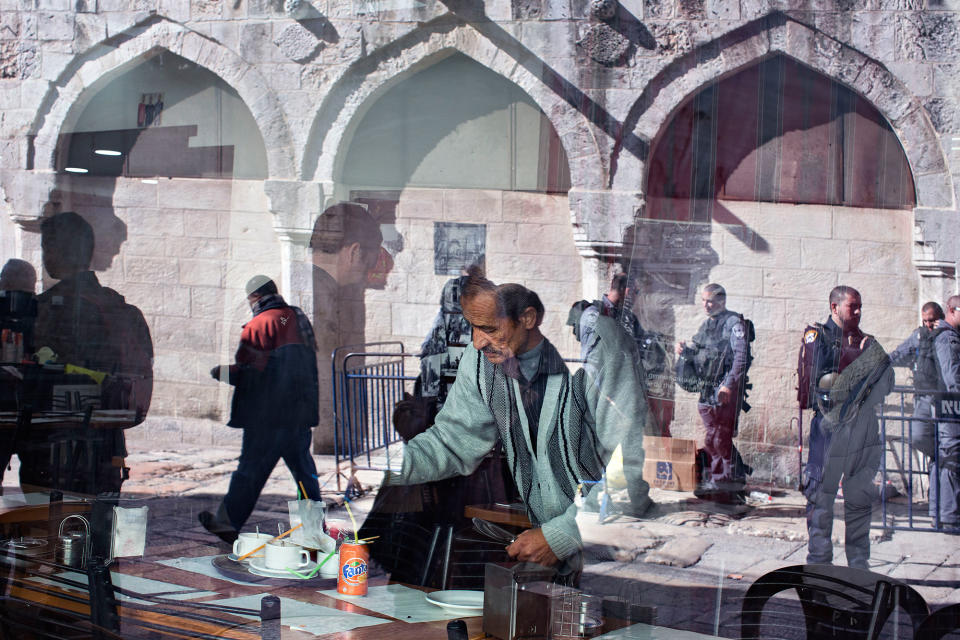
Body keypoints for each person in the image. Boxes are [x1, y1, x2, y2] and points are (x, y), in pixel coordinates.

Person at [387, 269, 651, 577]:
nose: (476, 342)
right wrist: (393, 466)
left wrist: (562, 534)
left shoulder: (596, 357)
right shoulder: (484, 361)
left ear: (527, 319)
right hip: (549, 544)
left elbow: (627, 471)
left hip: (608, 554)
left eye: (488, 328)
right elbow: (453, 439)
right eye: (473, 328)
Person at [27, 212, 153, 494]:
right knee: (99, 530)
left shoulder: (47, 308)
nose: (45, 255)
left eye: (47, 247)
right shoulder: (120, 307)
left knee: (48, 532)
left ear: (61, 250)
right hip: (108, 443)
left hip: (55, 444)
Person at [199, 276, 321, 544]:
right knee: (304, 474)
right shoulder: (294, 318)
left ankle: (227, 523)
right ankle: (314, 529)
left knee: (249, 471)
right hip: (297, 414)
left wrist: (222, 373)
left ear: (253, 297)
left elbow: (252, 372)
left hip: (267, 415)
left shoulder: (260, 325)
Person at [798, 285, 893, 568]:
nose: (859, 311)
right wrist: (861, 361)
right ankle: (819, 564)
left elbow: (888, 382)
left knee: (859, 499)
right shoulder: (818, 338)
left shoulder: (867, 341)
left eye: (860, 305)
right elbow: (825, 384)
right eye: (853, 306)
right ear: (835, 307)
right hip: (830, 430)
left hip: (862, 430)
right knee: (821, 498)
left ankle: (859, 564)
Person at [310, 202, 385, 453]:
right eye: (369, 263)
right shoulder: (303, 292)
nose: (368, 275)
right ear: (354, 252)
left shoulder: (327, 288)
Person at [674, 283, 751, 502]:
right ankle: (724, 482)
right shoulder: (707, 324)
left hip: (723, 392)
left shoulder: (733, 324)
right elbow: (702, 353)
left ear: (721, 301)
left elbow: (740, 359)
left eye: (710, 301)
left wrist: (728, 385)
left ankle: (724, 486)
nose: (706, 305)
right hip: (706, 391)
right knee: (714, 438)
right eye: (703, 300)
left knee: (719, 438)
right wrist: (685, 351)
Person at [571, 274, 670, 436]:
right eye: (636, 293)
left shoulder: (626, 317)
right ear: (627, 291)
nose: (636, 298)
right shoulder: (593, 315)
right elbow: (594, 359)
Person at [929, 295, 960, 529]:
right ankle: (949, 517)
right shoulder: (947, 339)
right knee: (951, 459)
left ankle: (940, 514)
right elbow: (953, 379)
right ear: (951, 310)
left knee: (945, 459)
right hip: (951, 408)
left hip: (948, 407)